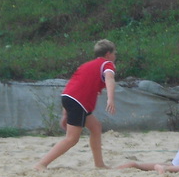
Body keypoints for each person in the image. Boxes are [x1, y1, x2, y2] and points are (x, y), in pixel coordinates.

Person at [34, 39, 117, 170]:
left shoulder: (86, 65)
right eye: (114, 53)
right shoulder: (107, 64)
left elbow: (73, 87)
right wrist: (110, 99)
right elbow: (109, 78)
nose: (115, 56)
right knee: (72, 139)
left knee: (96, 127)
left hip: (69, 98)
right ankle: (41, 164)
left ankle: (99, 164)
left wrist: (65, 114)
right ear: (108, 54)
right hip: (79, 102)